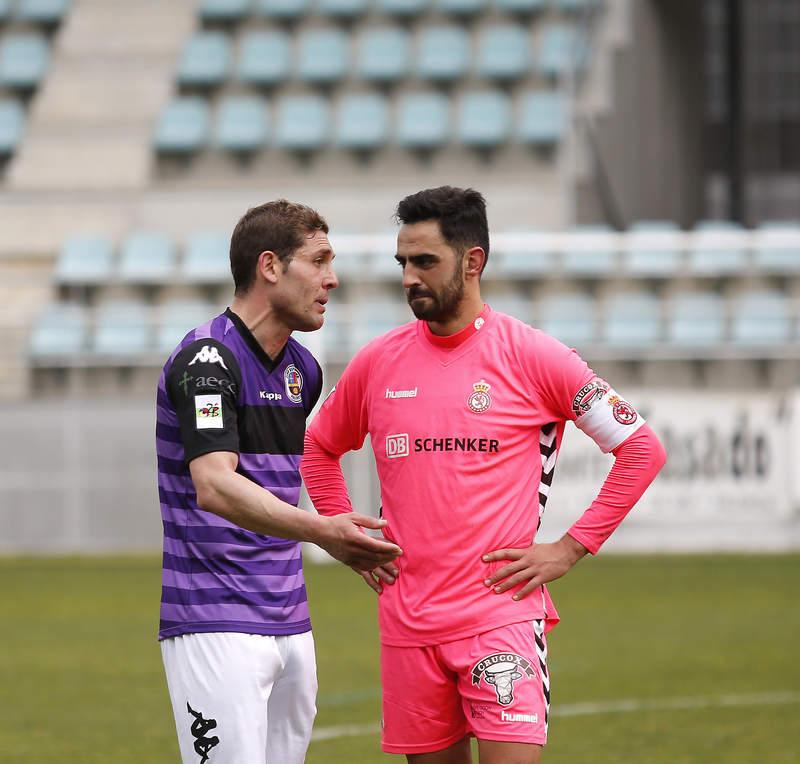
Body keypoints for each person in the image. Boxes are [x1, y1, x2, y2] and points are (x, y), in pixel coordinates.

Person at [300, 186, 666, 764]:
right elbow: (318, 448)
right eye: (402, 262)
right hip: (408, 623)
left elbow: (642, 450)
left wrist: (570, 549)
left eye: (425, 261)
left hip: (502, 616)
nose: (408, 278)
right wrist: (341, 533)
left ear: (473, 262)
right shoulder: (377, 361)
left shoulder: (537, 356)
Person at [155, 199, 402, 764]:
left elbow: (310, 459)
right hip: (214, 620)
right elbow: (215, 485)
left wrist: (339, 527)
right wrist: (323, 531)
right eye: (318, 261)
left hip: (290, 622)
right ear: (270, 266)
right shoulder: (207, 361)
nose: (332, 279)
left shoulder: (303, 372)